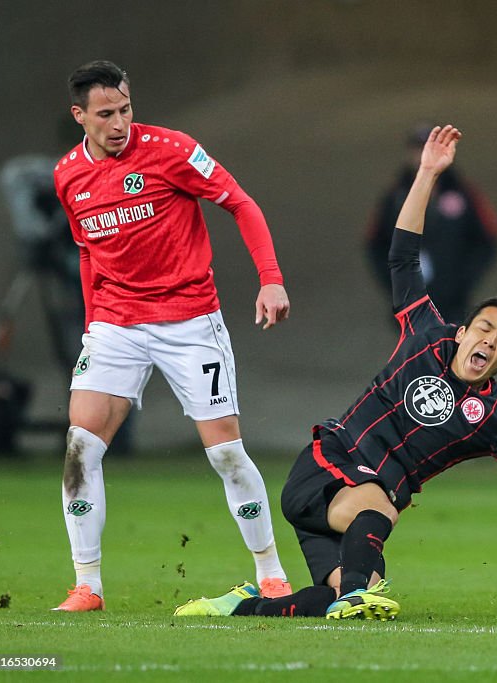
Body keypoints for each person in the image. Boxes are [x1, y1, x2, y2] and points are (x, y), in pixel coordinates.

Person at [173, 125, 497, 619]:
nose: (489, 340)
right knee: (377, 521)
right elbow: (401, 254)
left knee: (340, 597)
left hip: (350, 511)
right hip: (326, 465)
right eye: (484, 328)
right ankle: (356, 591)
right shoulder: (425, 330)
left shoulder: (495, 418)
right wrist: (426, 173)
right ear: (464, 330)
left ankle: (241, 608)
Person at [50, 60, 293, 611]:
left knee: (226, 453)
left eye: (126, 109)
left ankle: (271, 572)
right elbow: (88, 252)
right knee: (79, 447)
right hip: (116, 324)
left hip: (189, 322)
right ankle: (88, 585)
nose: (119, 123)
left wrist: (270, 280)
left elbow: (240, 203)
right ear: (79, 115)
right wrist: (93, 323)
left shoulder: (172, 150)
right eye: (106, 114)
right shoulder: (68, 175)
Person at [365, 124, 497, 323]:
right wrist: (396, 283)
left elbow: (488, 239)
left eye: (428, 148)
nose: (422, 155)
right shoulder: (394, 197)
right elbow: (375, 244)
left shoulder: (463, 193)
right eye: (417, 149)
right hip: (410, 301)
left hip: (453, 301)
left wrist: (463, 280)